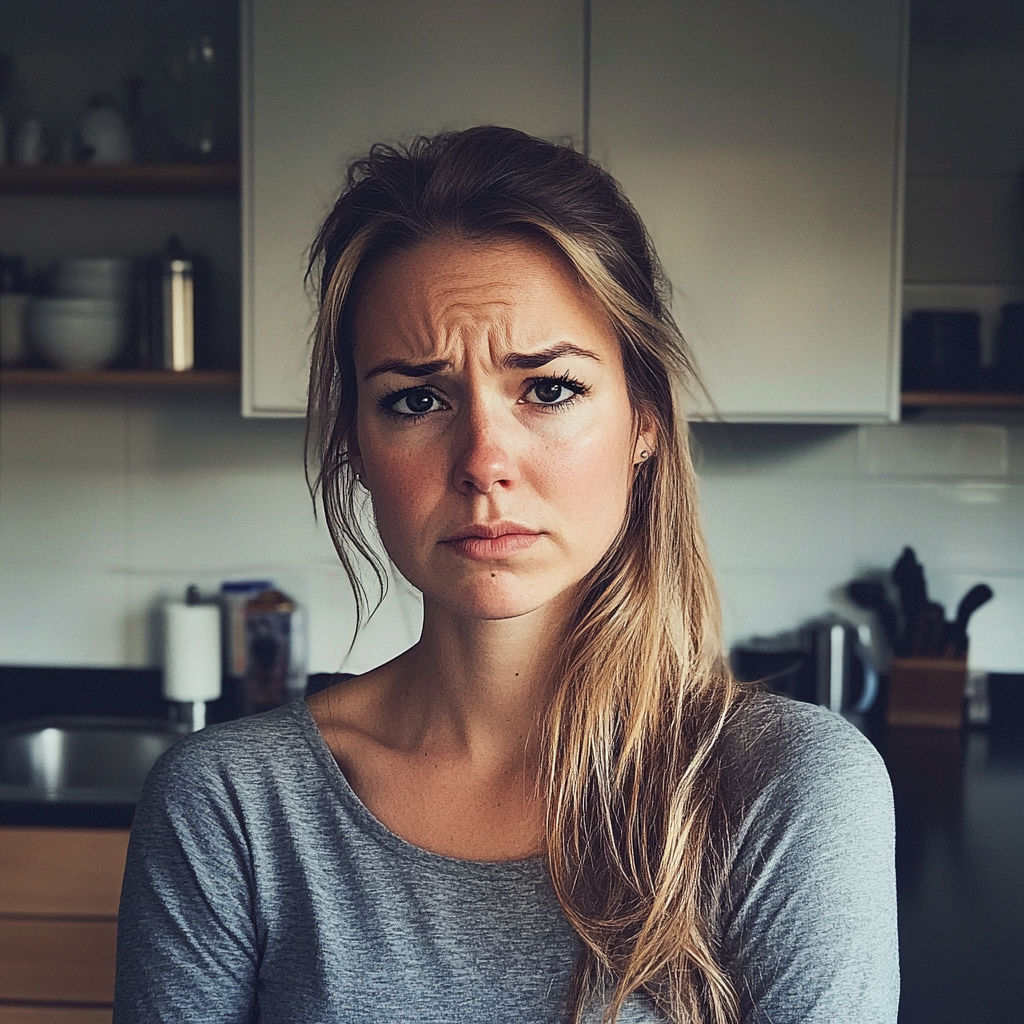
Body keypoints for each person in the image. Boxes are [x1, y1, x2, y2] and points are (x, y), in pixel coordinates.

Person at [114, 127, 898, 1024]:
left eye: (550, 388)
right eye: (417, 399)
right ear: (356, 449)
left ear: (645, 417)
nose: (484, 459)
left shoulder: (789, 792)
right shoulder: (230, 811)